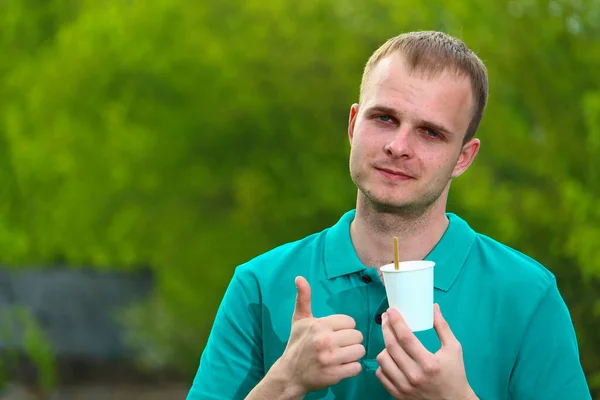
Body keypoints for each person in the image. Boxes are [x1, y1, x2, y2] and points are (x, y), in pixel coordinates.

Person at [186, 31, 591, 399]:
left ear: (463, 158)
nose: (399, 145)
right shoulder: (259, 284)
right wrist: (285, 382)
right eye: (385, 118)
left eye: (430, 132)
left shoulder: (527, 294)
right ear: (352, 125)